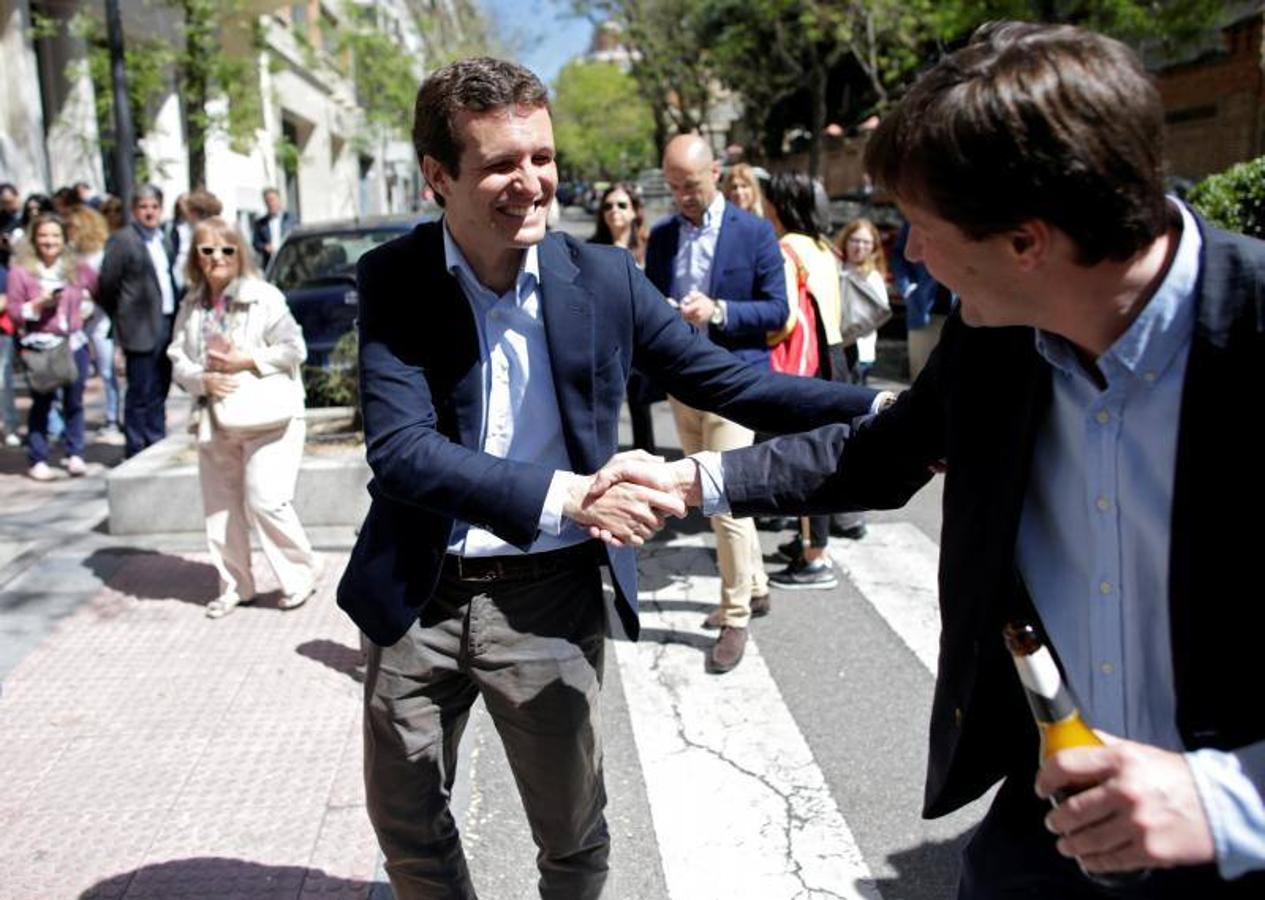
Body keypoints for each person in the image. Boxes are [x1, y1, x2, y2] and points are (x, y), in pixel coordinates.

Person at [595, 21, 1265, 898]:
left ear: (1027, 243)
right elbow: (885, 449)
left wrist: (1223, 801)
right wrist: (694, 479)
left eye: (919, 228)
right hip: (1046, 833)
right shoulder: (998, 337)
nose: (910, 255)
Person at [337, 56, 881, 900]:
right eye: (501, 165)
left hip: (546, 595)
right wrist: (572, 495)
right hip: (418, 591)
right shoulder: (394, 277)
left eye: (541, 158)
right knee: (407, 826)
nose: (532, 184)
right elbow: (402, 451)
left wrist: (881, 412)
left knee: (571, 833)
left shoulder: (602, 278)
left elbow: (728, 382)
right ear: (438, 177)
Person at [645, 133, 790, 673]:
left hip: (735, 384)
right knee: (718, 497)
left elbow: (777, 311)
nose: (683, 194)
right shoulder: (660, 238)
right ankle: (755, 584)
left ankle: (735, 616)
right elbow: (647, 302)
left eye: (691, 184)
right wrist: (657, 311)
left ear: (716, 174)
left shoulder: (754, 233)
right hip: (682, 384)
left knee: (721, 498)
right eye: (673, 186)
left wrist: (721, 311)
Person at [168, 217, 320, 618]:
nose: (217, 258)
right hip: (215, 417)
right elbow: (176, 358)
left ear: (240, 253)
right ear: (196, 257)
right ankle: (235, 585)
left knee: (266, 500)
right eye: (207, 250)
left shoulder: (263, 296)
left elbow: (294, 348)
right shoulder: (192, 303)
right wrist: (201, 379)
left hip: (270, 418)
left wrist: (246, 360)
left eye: (226, 249)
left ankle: (301, 572)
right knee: (221, 508)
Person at [760, 172, 857, 590]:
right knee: (824, 452)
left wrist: (763, 339)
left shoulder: (786, 249)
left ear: (779, 206)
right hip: (834, 356)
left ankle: (815, 557)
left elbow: (782, 320)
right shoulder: (822, 246)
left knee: (806, 460)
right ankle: (808, 542)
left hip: (805, 363)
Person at [6, 213, 97, 480]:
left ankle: (76, 453)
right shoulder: (21, 272)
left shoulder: (76, 268)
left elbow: (95, 292)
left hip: (73, 343)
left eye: (55, 235)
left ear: (64, 239)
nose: (49, 241)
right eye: (44, 235)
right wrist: (37, 306)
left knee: (74, 401)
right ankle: (38, 457)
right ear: (35, 238)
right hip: (41, 345)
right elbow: (14, 312)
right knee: (42, 402)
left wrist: (85, 310)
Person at [99, 185, 178, 458]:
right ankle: (135, 447)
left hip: (167, 322)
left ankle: (156, 440)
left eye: (154, 206)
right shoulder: (123, 241)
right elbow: (107, 285)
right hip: (139, 327)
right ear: (134, 210)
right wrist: (122, 316)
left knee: (160, 386)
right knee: (140, 390)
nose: (149, 212)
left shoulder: (164, 238)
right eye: (144, 207)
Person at [589, 182, 659, 453]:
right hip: (607, 343)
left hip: (644, 340)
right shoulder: (591, 249)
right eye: (607, 206)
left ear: (634, 211)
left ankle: (648, 458)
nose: (613, 211)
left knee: (642, 408)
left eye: (621, 205)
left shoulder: (650, 247)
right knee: (604, 411)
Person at [65, 202, 119, 435]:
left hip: (100, 316)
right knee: (71, 371)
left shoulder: (101, 253)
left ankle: (113, 416)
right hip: (74, 322)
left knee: (107, 370)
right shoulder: (68, 255)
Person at [837, 218, 889, 386]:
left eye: (866, 242)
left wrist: (850, 332)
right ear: (845, 241)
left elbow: (879, 314)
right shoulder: (835, 268)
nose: (860, 247)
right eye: (855, 240)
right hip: (835, 350)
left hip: (860, 353)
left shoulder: (872, 278)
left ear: (873, 247)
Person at [0, 263, 21, 447]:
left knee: (3, 384)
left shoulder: (3, 272)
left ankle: (9, 427)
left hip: (2, 335)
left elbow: (5, 300)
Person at [251, 187, 294, 269]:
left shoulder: (290, 219)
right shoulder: (260, 224)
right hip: (270, 264)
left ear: (279, 200)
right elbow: (255, 243)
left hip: (290, 262)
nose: (271, 203)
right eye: (267, 201)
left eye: (272, 200)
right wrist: (265, 247)